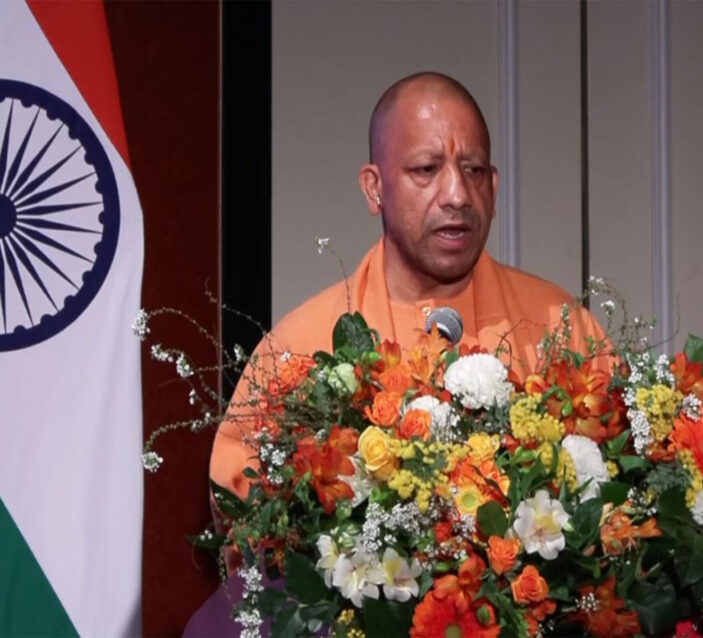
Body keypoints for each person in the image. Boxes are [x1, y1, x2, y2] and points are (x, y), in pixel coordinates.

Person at [210, 71, 608, 505]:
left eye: (473, 170)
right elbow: (240, 498)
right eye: (427, 170)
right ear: (375, 188)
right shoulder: (301, 346)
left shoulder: (558, 325)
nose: (457, 195)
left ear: (493, 189)